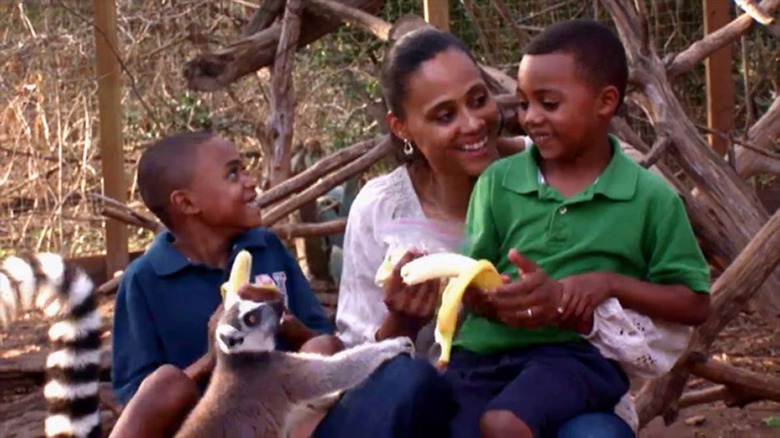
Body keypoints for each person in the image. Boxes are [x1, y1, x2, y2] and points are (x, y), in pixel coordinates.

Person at [334, 26, 643, 437]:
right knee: (408, 382)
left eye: (478, 100)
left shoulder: (565, 173)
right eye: (445, 115)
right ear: (401, 127)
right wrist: (402, 324)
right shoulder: (382, 209)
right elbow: (360, 374)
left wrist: (568, 302)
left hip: (558, 396)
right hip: (438, 414)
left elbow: (651, 320)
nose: (473, 124)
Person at [447, 19, 711, 437]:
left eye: (548, 104)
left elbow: (695, 303)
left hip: (577, 356)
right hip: (483, 356)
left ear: (605, 102)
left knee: (503, 424)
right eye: (523, 103)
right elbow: (470, 283)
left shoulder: (649, 198)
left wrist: (607, 284)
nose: (530, 118)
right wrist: (498, 299)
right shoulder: (497, 183)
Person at [111, 131, 335, 405]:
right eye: (232, 175)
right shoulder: (144, 281)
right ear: (187, 203)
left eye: (244, 170)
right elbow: (138, 399)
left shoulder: (266, 248)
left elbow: (323, 340)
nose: (251, 182)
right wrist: (211, 360)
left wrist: (288, 325)